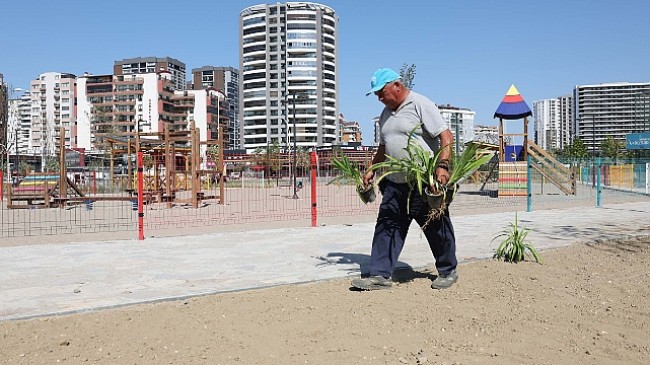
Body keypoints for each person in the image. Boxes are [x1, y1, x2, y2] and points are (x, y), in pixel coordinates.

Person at [351, 68, 458, 291]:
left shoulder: (420, 104)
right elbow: (384, 146)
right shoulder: (385, 116)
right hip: (395, 184)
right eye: (377, 95)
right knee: (386, 227)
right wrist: (371, 169)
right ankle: (380, 275)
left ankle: (448, 270)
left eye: (382, 93)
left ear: (396, 86)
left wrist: (443, 166)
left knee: (436, 226)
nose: (380, 98)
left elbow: (446, 136)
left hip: (422, 182)